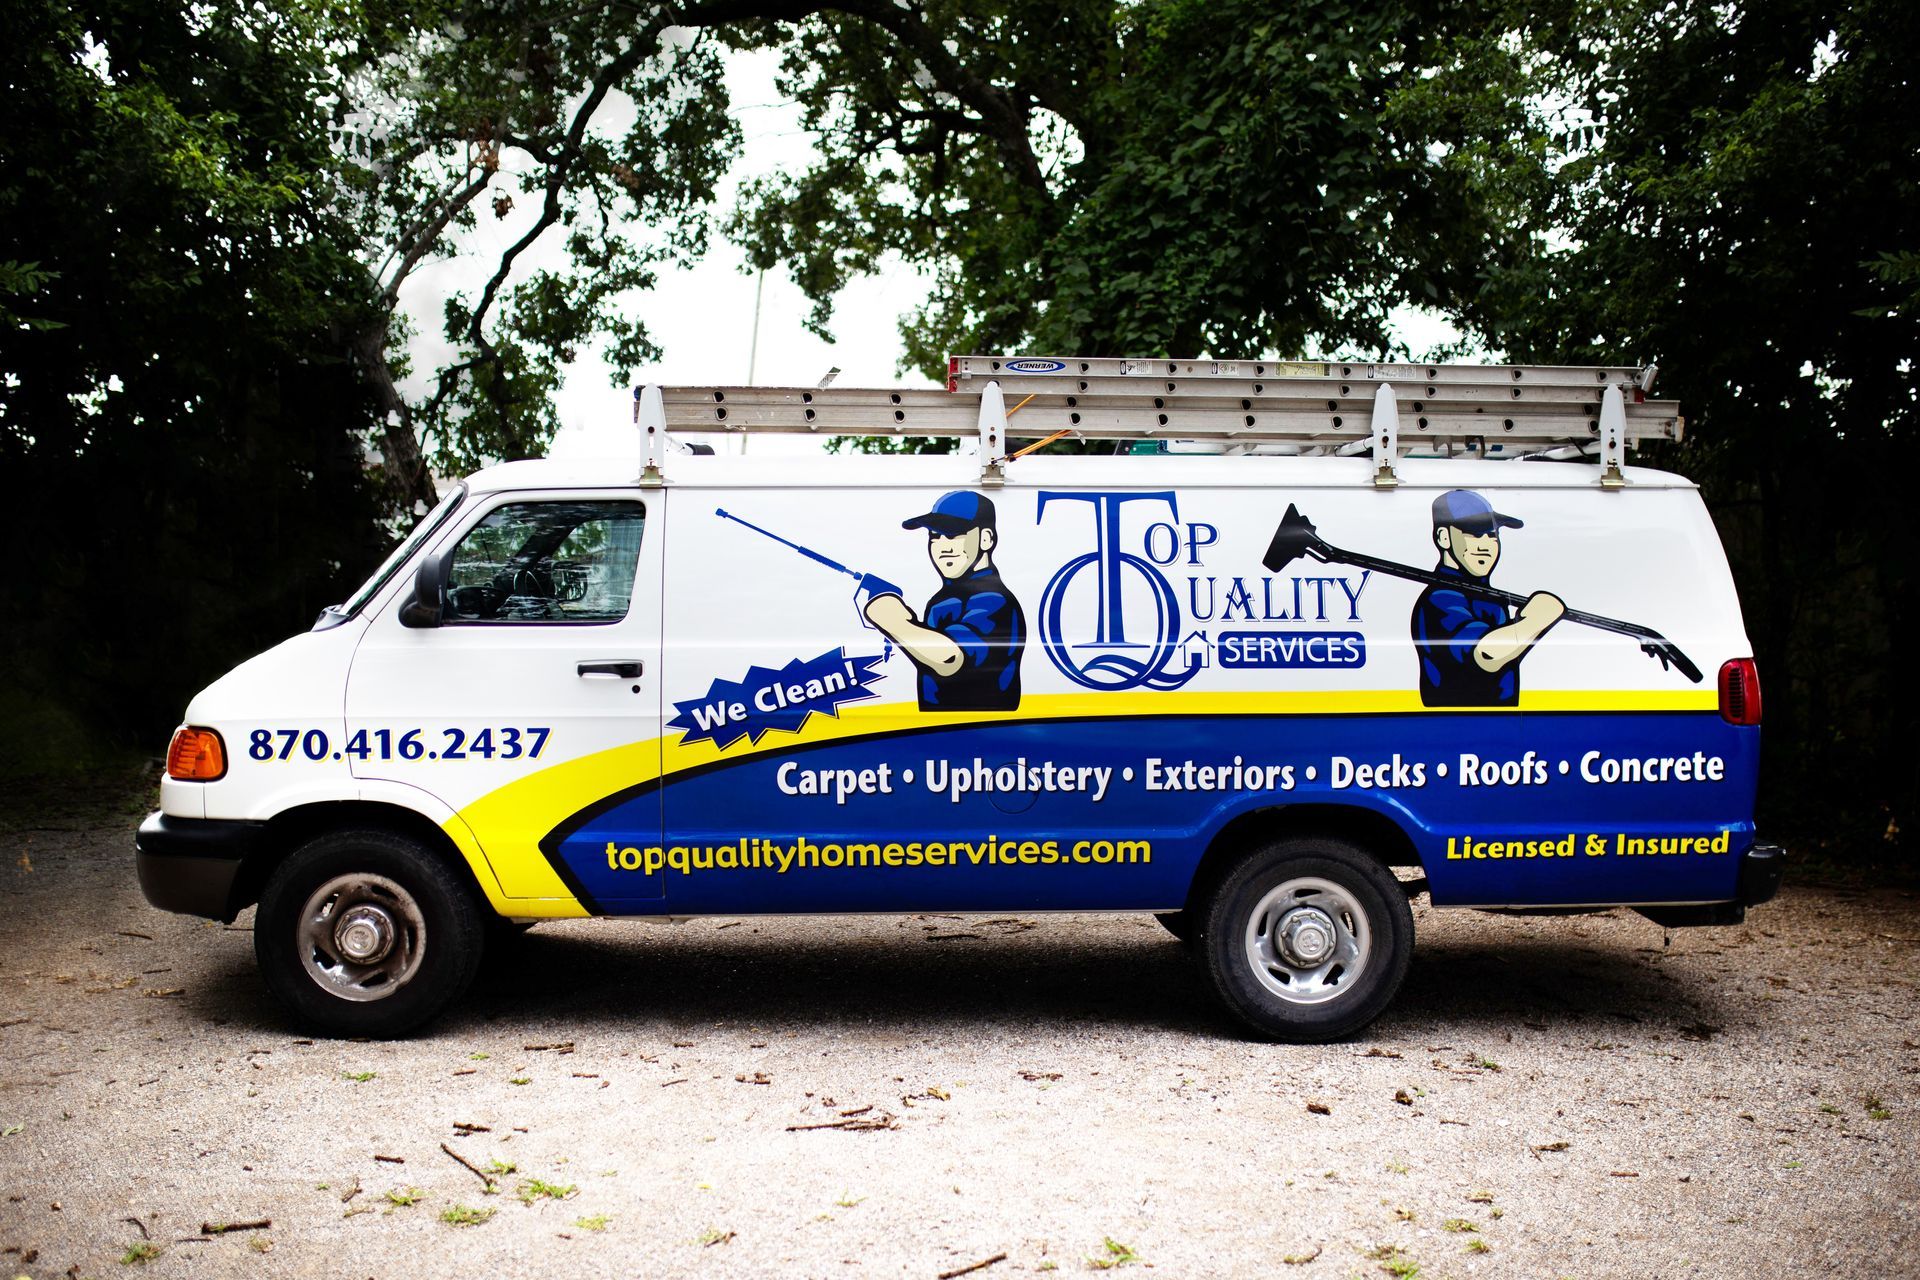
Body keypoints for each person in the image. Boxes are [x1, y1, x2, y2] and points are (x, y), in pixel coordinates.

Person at [859, 491, 1025, 711]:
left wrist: (893, 620)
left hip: (977, 733)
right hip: (945, 731)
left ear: (986, 539)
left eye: (954, 535)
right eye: (934, 537)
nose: (943, 547)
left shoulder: (992, 598)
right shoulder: (943, 599)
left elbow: (950, 659)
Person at [1410, 490, 1564, 707]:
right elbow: (1487, 654)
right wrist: (1535, 621)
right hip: (1457, 723)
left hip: (1494, 722)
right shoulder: (1442, 598)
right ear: (1443, 538)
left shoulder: (1490, 598)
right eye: (1473, 533)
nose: (1485, 545)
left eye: (1492, 535)